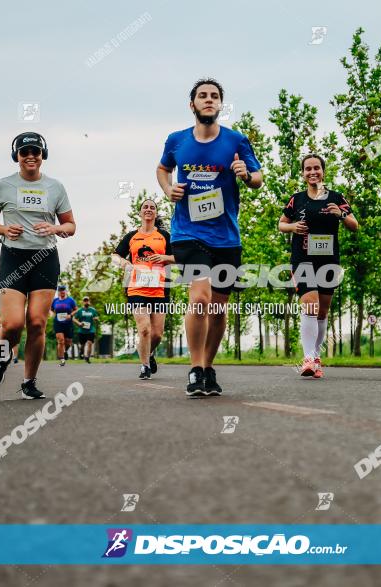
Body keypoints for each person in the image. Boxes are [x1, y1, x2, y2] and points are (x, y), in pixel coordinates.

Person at [156, 78, 263, 397]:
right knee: (199, 298)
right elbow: (162, 169)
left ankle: (208, 368)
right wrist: (167, 189)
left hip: (226, 237)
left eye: (214, 96)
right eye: (202, 96)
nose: (208, 100)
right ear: (192, 105)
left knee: (218, 309)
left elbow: (258, 178)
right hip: (188, 233)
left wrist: (246, 174)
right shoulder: (176, 140)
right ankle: (194, 368)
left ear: (220, 104)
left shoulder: (236, 141)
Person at [0, 132, 76, 399]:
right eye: (25, 152)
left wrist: (55, 228)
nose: (30, 156)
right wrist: (2, 228)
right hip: (13, 257)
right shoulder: (3, 186)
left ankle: (28, 382)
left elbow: (71, 225)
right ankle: (1, 359)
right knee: (12, 325)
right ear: (17, 157)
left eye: (35, 151)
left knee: (36, 323)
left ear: (43, 155)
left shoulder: (55, 187)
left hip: (44, 259)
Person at [278, 154, 358, 378]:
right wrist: (293, 226)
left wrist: (341, 214)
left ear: (323, 171)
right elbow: (281, 224)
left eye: (316, 168)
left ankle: (316, 357)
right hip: (302, 258)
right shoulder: (297, 199)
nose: (312, 172)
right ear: (303, 174)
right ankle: (309, 358)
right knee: (310, 306)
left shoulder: (335, 197)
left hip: (328, 260)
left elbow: (354, 225)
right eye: (308, 169)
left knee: (322, 311)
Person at [112, 199, 175, 379]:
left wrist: (164, 257)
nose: (148, 209)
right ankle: (145, 366)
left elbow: (178, 256)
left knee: (157, 334)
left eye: (152, 207)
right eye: (145, 207)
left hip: (160, 288)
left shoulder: (164, 236)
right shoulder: (132, 236)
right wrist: (124, 262)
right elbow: (115, 256)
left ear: (155, 213)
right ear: (140, 213)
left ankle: (149, 353)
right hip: (136, 289)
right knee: (145, 329)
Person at [50, 285, 77, 367]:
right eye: (60, 290)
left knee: (68, 342)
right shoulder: (55, 301)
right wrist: (53, 314)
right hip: (58, 323)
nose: (62, 292)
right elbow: (51, 309)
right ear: (58, 291)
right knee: (61, 341)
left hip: (68, 323)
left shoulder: (70, 300)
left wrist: (70, 315)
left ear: (65, 291)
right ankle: (62, 359)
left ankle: (65, 351)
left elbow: (76, 309)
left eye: (63, 290)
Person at [74, 296, 100, 363]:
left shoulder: (93, 310)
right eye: (85, 301)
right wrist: (79, 323)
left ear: (89, 302)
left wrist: (96, 319)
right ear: (83, 302)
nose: (86, 302)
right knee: (82, 345)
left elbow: (97, 317)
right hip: (82, 331)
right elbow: (74, 319)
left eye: (87, 300)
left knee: (89, 343)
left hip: (91, 330)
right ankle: (82, 352)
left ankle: (87, 357)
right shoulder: (80, 310)